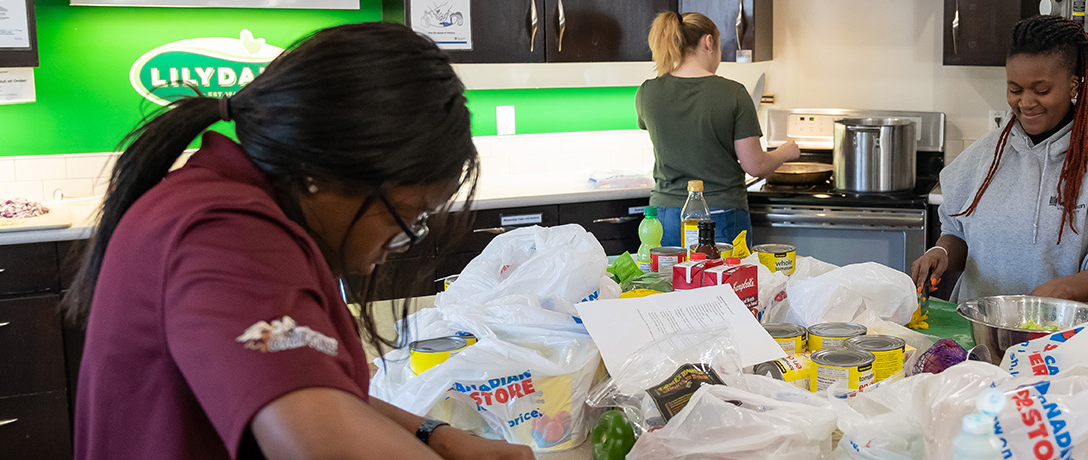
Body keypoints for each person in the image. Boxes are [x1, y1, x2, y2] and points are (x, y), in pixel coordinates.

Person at [66, 23, 534, 460]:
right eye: (406, 217)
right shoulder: (227, 234)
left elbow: (308, 383)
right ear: (321, 174)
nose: (403, 242)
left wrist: (438, 436)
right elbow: (315, 437)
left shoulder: (226, 201)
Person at [911, 16, 1088, 311]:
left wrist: (1068, 289)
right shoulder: (985, 156)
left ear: (1074, 84)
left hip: (1073, 339)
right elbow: (959, 234)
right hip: (985, 331)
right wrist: (942, 252)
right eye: (1015, 89)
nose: (1026, 102)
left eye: (1041, 91)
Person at [637, 11, 800, 247]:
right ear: (709, 41)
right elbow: (755, 165)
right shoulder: (733, 93)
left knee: (669, 283)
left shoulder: (647, 92)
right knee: (725, 283)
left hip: (665, 215)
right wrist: (787, 151)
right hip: (720, 214)